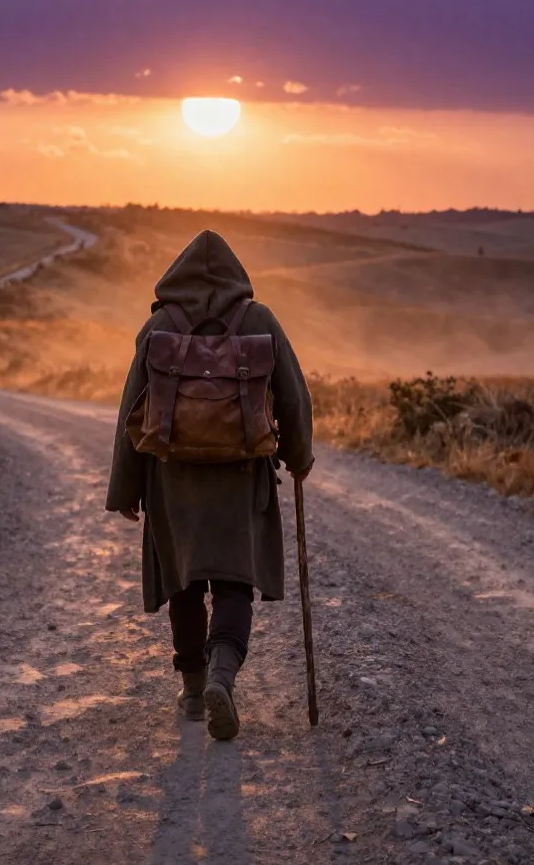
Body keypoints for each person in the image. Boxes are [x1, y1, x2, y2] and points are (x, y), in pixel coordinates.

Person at [106, 230, 314, 741]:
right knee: (234, 580)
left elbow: (131, 407)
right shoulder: (259, 321)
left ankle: (196, 691)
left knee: (184, 580)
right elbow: (293, 395)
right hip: (241, 478)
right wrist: (299, 457)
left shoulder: (159, 326)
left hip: (172, 479)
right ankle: (224, 674)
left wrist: (126, 489)